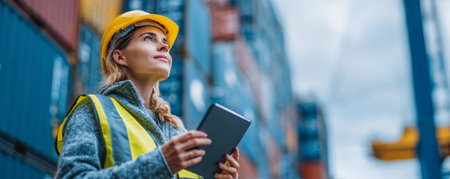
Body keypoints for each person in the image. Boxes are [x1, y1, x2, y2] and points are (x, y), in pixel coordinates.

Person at [55, 10, 239, 179]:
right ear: (120, 57)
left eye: (165, 43)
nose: (163, 47)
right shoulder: (94, 111)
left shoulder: (178, 133)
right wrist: (160, 163)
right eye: (149, 39)